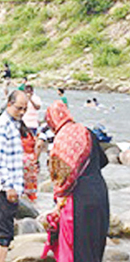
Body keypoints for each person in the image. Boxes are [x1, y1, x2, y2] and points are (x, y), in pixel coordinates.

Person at [42, 101, 109, 262]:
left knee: (78, 250)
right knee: (95, 246)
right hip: (99, 193)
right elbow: (104, 161)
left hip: (78, 200)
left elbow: (61, 180)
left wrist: (57, 205)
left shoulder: (60, 141)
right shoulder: (86, 131)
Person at [0, 90, 27, 262]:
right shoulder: (3, 126)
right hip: (1, 188)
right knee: (2, 233)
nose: (22, 112)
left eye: (25, 109)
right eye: (19, 108)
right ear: (9, 104)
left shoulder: (12, 124)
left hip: (1, 187)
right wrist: (8, 186)